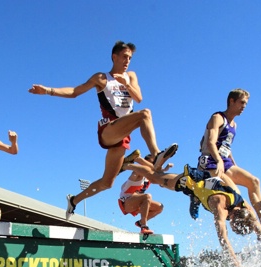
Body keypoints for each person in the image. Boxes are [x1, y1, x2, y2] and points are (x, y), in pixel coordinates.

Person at [28, 41, 177, 220]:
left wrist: (126, 84)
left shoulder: (131, 76)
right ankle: (156, 154)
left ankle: (74, 200)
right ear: (114, 57)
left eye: (130, 58)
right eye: (124, 57)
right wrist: (48, 91)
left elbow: (138, 97)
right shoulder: (101, 78)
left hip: (122, 135)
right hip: (109, 129)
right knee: (145, 114)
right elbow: (75, 91)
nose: (127, 61)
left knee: (107, 182)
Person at [124, 162, 261, 267]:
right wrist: (235, 262)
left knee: (160, 177)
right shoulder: (219, 207)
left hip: (209, 184)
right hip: (191, 181)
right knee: (156, 179)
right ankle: (129, 164)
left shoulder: (246, 210)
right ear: (231, 220)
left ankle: (194, 197)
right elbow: (223, 239)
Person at [194, 88, 261, 239]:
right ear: (231, 101)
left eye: (246, 103)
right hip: (211, 161)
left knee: (254, 181)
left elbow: (226, 147)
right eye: (242, 102)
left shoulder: (234, 125)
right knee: (236, 194)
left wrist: (233, 164)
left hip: (225, 162)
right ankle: (196, 194)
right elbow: (211, 142)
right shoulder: (218, 117)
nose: (244, 106)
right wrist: (218, 160)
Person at [118, 155, 165, 235]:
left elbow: (160, 179)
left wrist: (165, 170)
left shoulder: (148, 179)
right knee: (147, 196)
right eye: (152, 163)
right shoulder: (137, 172)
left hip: (138, 204)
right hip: (127, 203)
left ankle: (140, 222)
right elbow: (148, 169)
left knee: (159, 207)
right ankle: (144, 226)